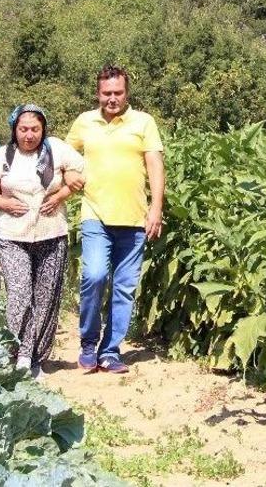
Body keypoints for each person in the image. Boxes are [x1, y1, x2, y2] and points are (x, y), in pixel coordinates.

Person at [65, 65, 165, 374]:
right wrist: (68, 172)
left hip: (134, 219)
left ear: (127, 93)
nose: (112, 99)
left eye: (118, 93)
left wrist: (156, 208)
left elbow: (155, 166)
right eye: (107, 93)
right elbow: (64, 156)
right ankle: (87, 342)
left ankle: (109, 351)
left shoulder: (143, 122)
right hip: (95, 214)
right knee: (94, 276)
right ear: (98, 93)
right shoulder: (84, 122)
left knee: (123, 288)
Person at [0, 104, 84, 379]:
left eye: (35, 129)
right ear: (14, 129)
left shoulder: (56, 149)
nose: (29, 135)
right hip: (12, 234)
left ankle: (34, 356)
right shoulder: (2, 156)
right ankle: (18, 352)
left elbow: (80, 175)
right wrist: (3, 201)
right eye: (23, 129)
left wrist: (61, 194)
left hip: (51, 233)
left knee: (46, 297)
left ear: (43, 130)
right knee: (19, 294)